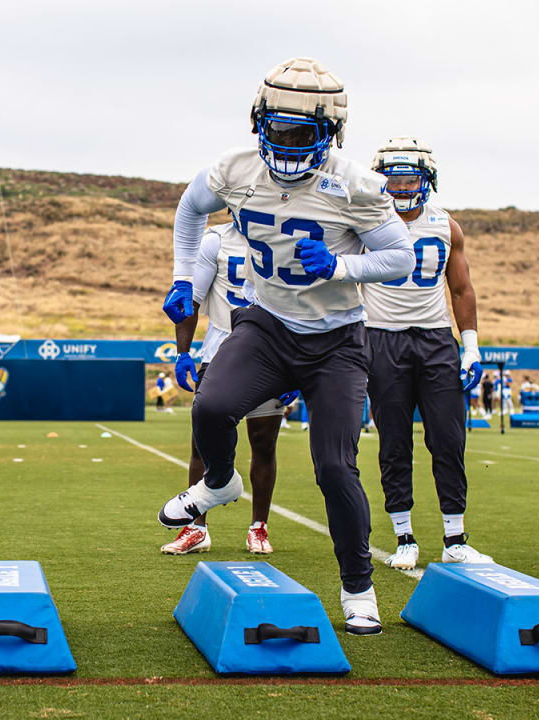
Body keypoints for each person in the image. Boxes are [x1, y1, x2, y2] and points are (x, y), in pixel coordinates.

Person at [159, 57, 414, 635]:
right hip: (268, 323)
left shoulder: (356, 184)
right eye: (278, 128)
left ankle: (358, 588)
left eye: (304, 133)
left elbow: (400, 259)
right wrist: (181, 276)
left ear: (331, 133)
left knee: (334, 467)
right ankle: (221, 483)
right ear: (259, 120)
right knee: (211, 405)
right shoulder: (235, 168)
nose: (288, 142)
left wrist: (344, 265)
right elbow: (189, 209)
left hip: (336, 341)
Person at [361, 137, 492, 571]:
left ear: (426, 178)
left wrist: (470, 346)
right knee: (394, 442)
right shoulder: (366, 224)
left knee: (449, 439)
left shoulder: (446, 225)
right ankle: (404, 536)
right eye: (392, 178)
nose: (399, 186)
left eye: (408, 176)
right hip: (383, 338)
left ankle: (455, 536)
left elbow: (461, 289)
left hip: (437, 340)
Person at [163, 222, 291, 555]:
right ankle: (196, 527)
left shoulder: (286, 234)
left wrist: (296, 368)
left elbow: (298, 305)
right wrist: (183, 352)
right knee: (202, 446)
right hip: (219, 349)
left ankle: (258, 526)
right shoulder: (215, 241)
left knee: (263, 443)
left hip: (271, 353)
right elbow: (190, 298)